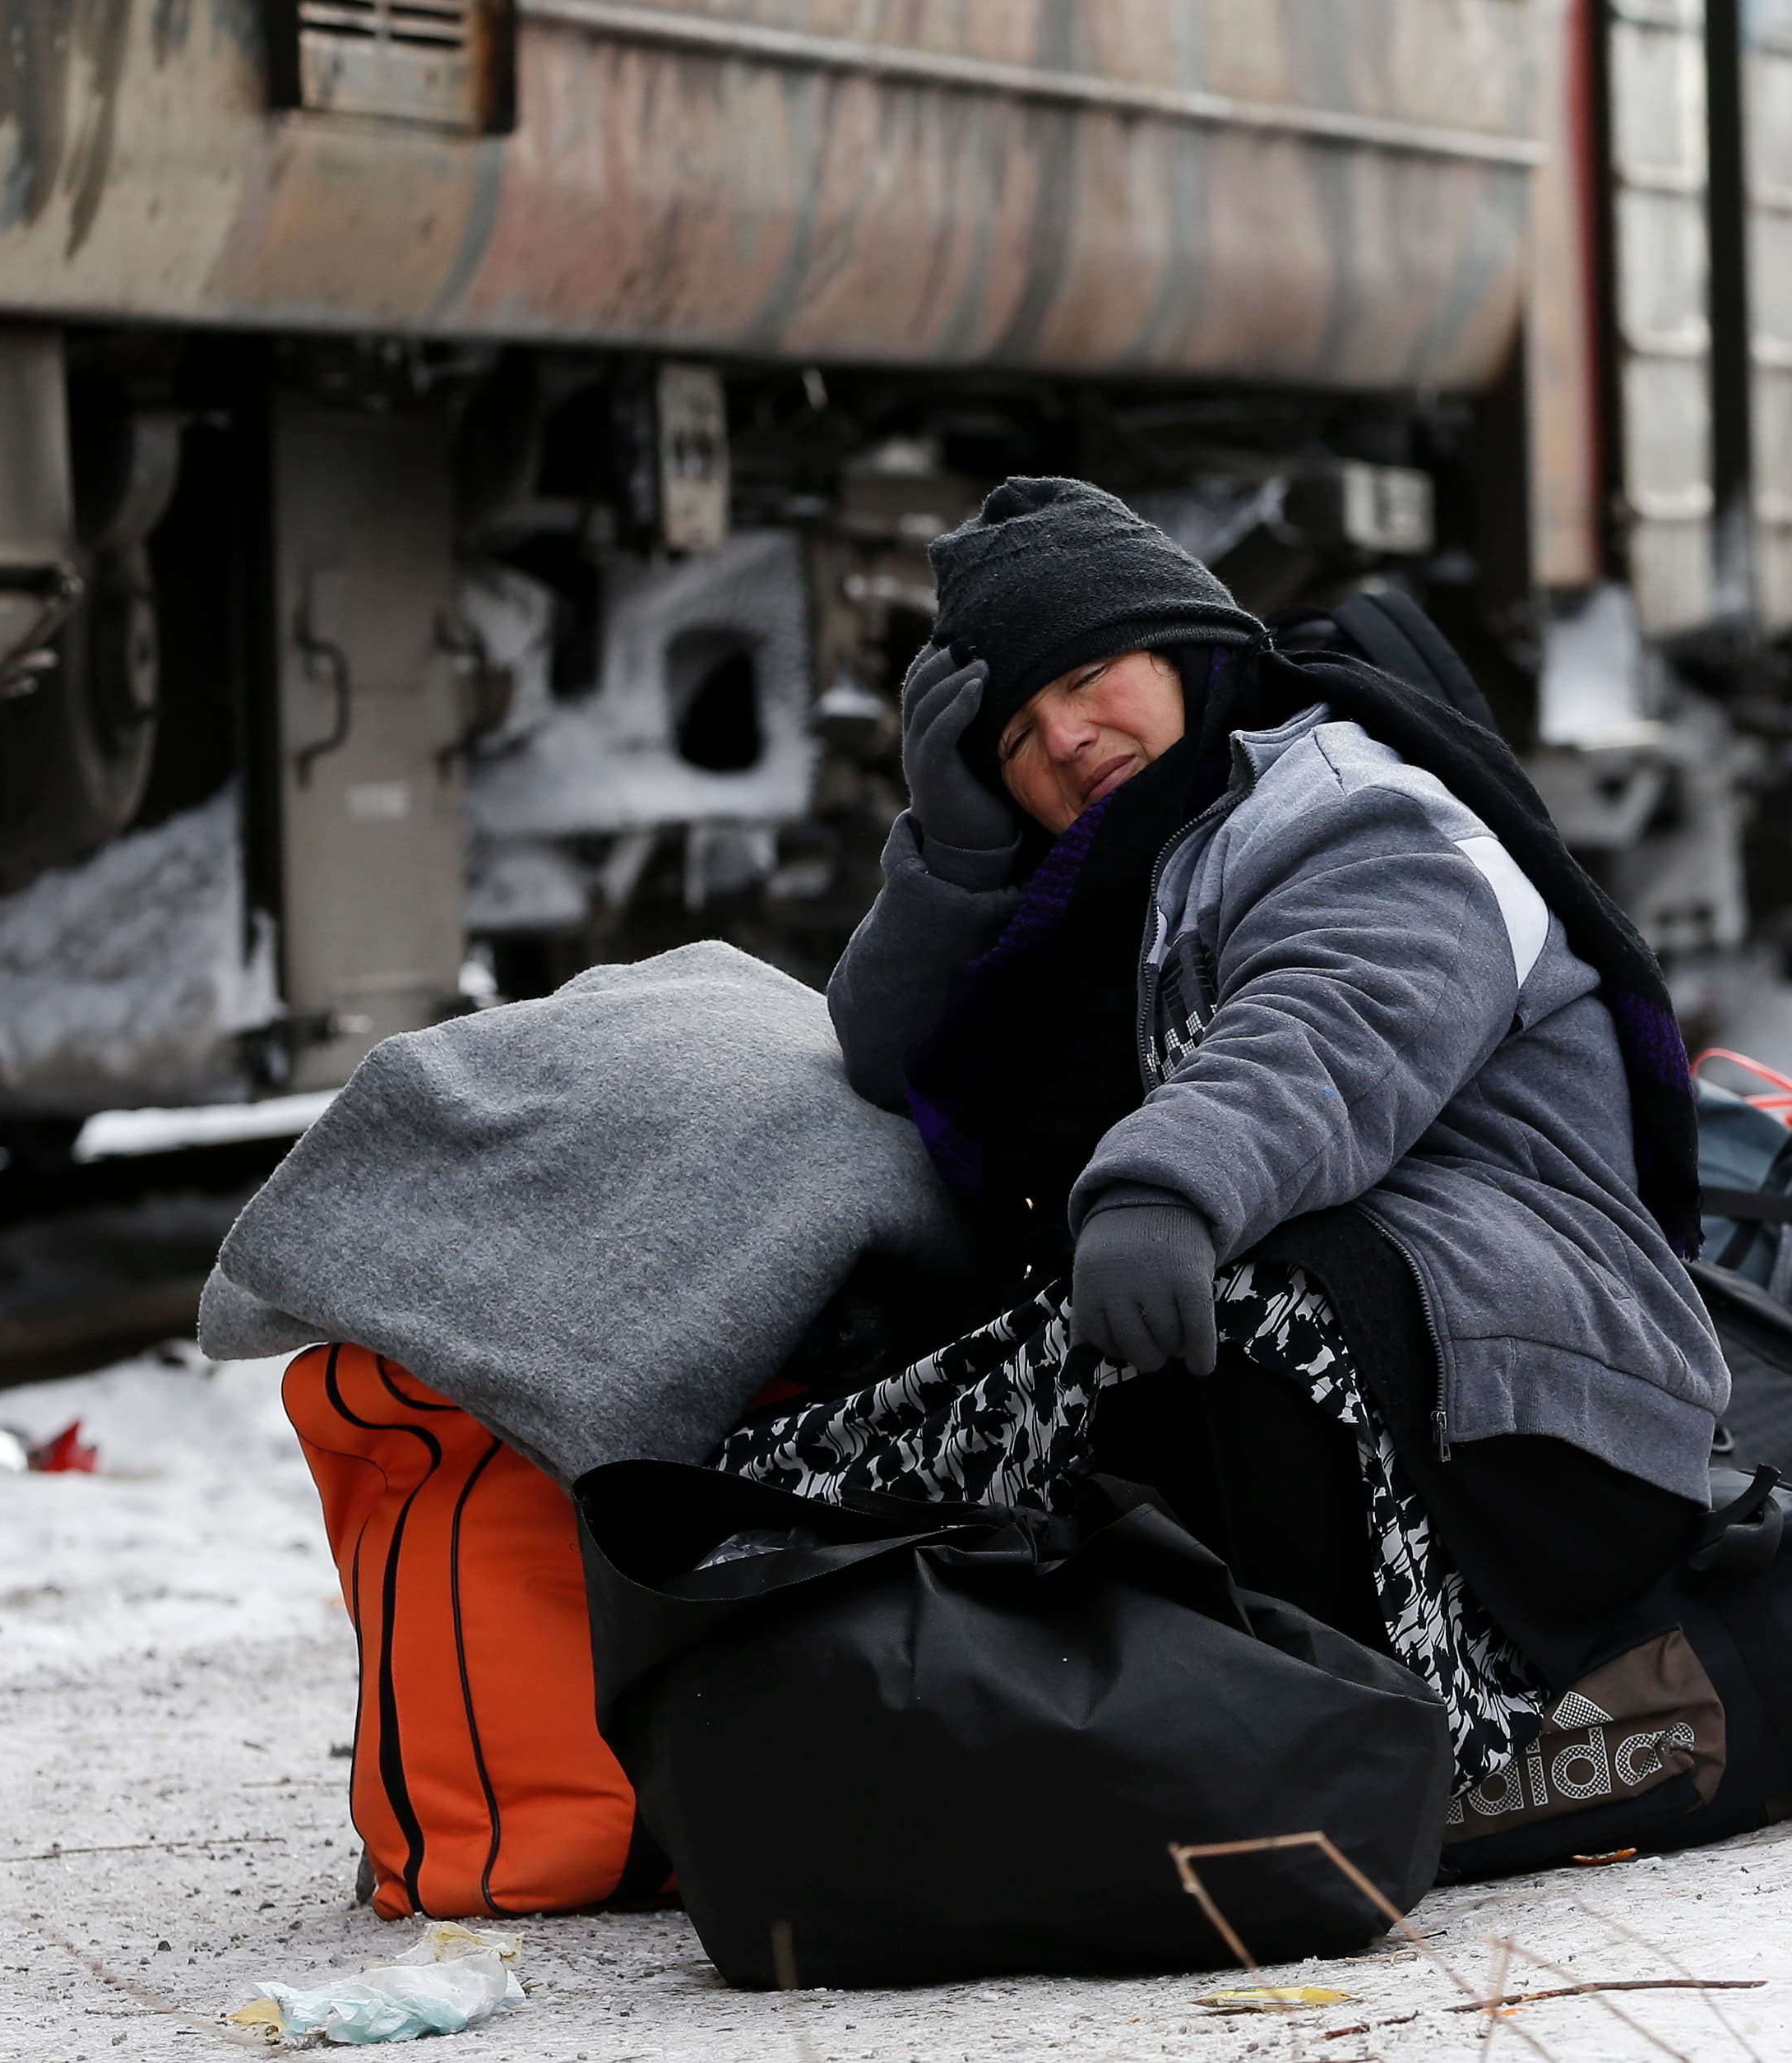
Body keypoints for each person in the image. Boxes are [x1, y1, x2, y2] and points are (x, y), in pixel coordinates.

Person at [714, 477, 1733, 1795]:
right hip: (1429, 1377)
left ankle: (1375, 1717)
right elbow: (890, 1059)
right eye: (1017, 734)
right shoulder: (1115, 869)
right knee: (854, 1445)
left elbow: (1340, 1014)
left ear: (1179, 644)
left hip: (1544, 1393)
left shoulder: (1352, 805)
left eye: (1088, 675)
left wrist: (1168, 1185)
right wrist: (955, 861)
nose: (1067, 737)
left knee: (1243, 1307)